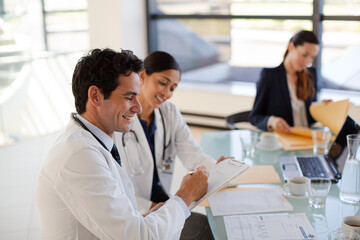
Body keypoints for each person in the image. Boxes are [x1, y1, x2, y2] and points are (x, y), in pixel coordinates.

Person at [36, 48, 210, 240]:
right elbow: (137, 237)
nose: (138, 107)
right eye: (128, 97)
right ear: (95, 96)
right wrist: (185, 195)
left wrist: (150, 214)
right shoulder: (79, 156)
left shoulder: (96, 141)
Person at [113, 51, 225, 240]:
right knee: (205, 231)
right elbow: (117, 188)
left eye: (173, 88)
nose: (167, 93)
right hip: (136, 214)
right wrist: (151, 207)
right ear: (142, 76)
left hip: (165, 205)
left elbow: (193, 154)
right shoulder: (119, 120)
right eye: (162, 83)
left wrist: (219, 169)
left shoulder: (169, 113)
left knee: (214, 227)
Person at [249, 30, 320, 133]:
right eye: (304, 55)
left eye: (312, 58)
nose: (307, 62)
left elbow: (311, 114)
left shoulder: (311, 74)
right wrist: (272, 121)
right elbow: (254, 117)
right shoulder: (269, 76)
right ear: (291, 47)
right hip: (284, 141)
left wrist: (322, 108)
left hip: (306, 138)